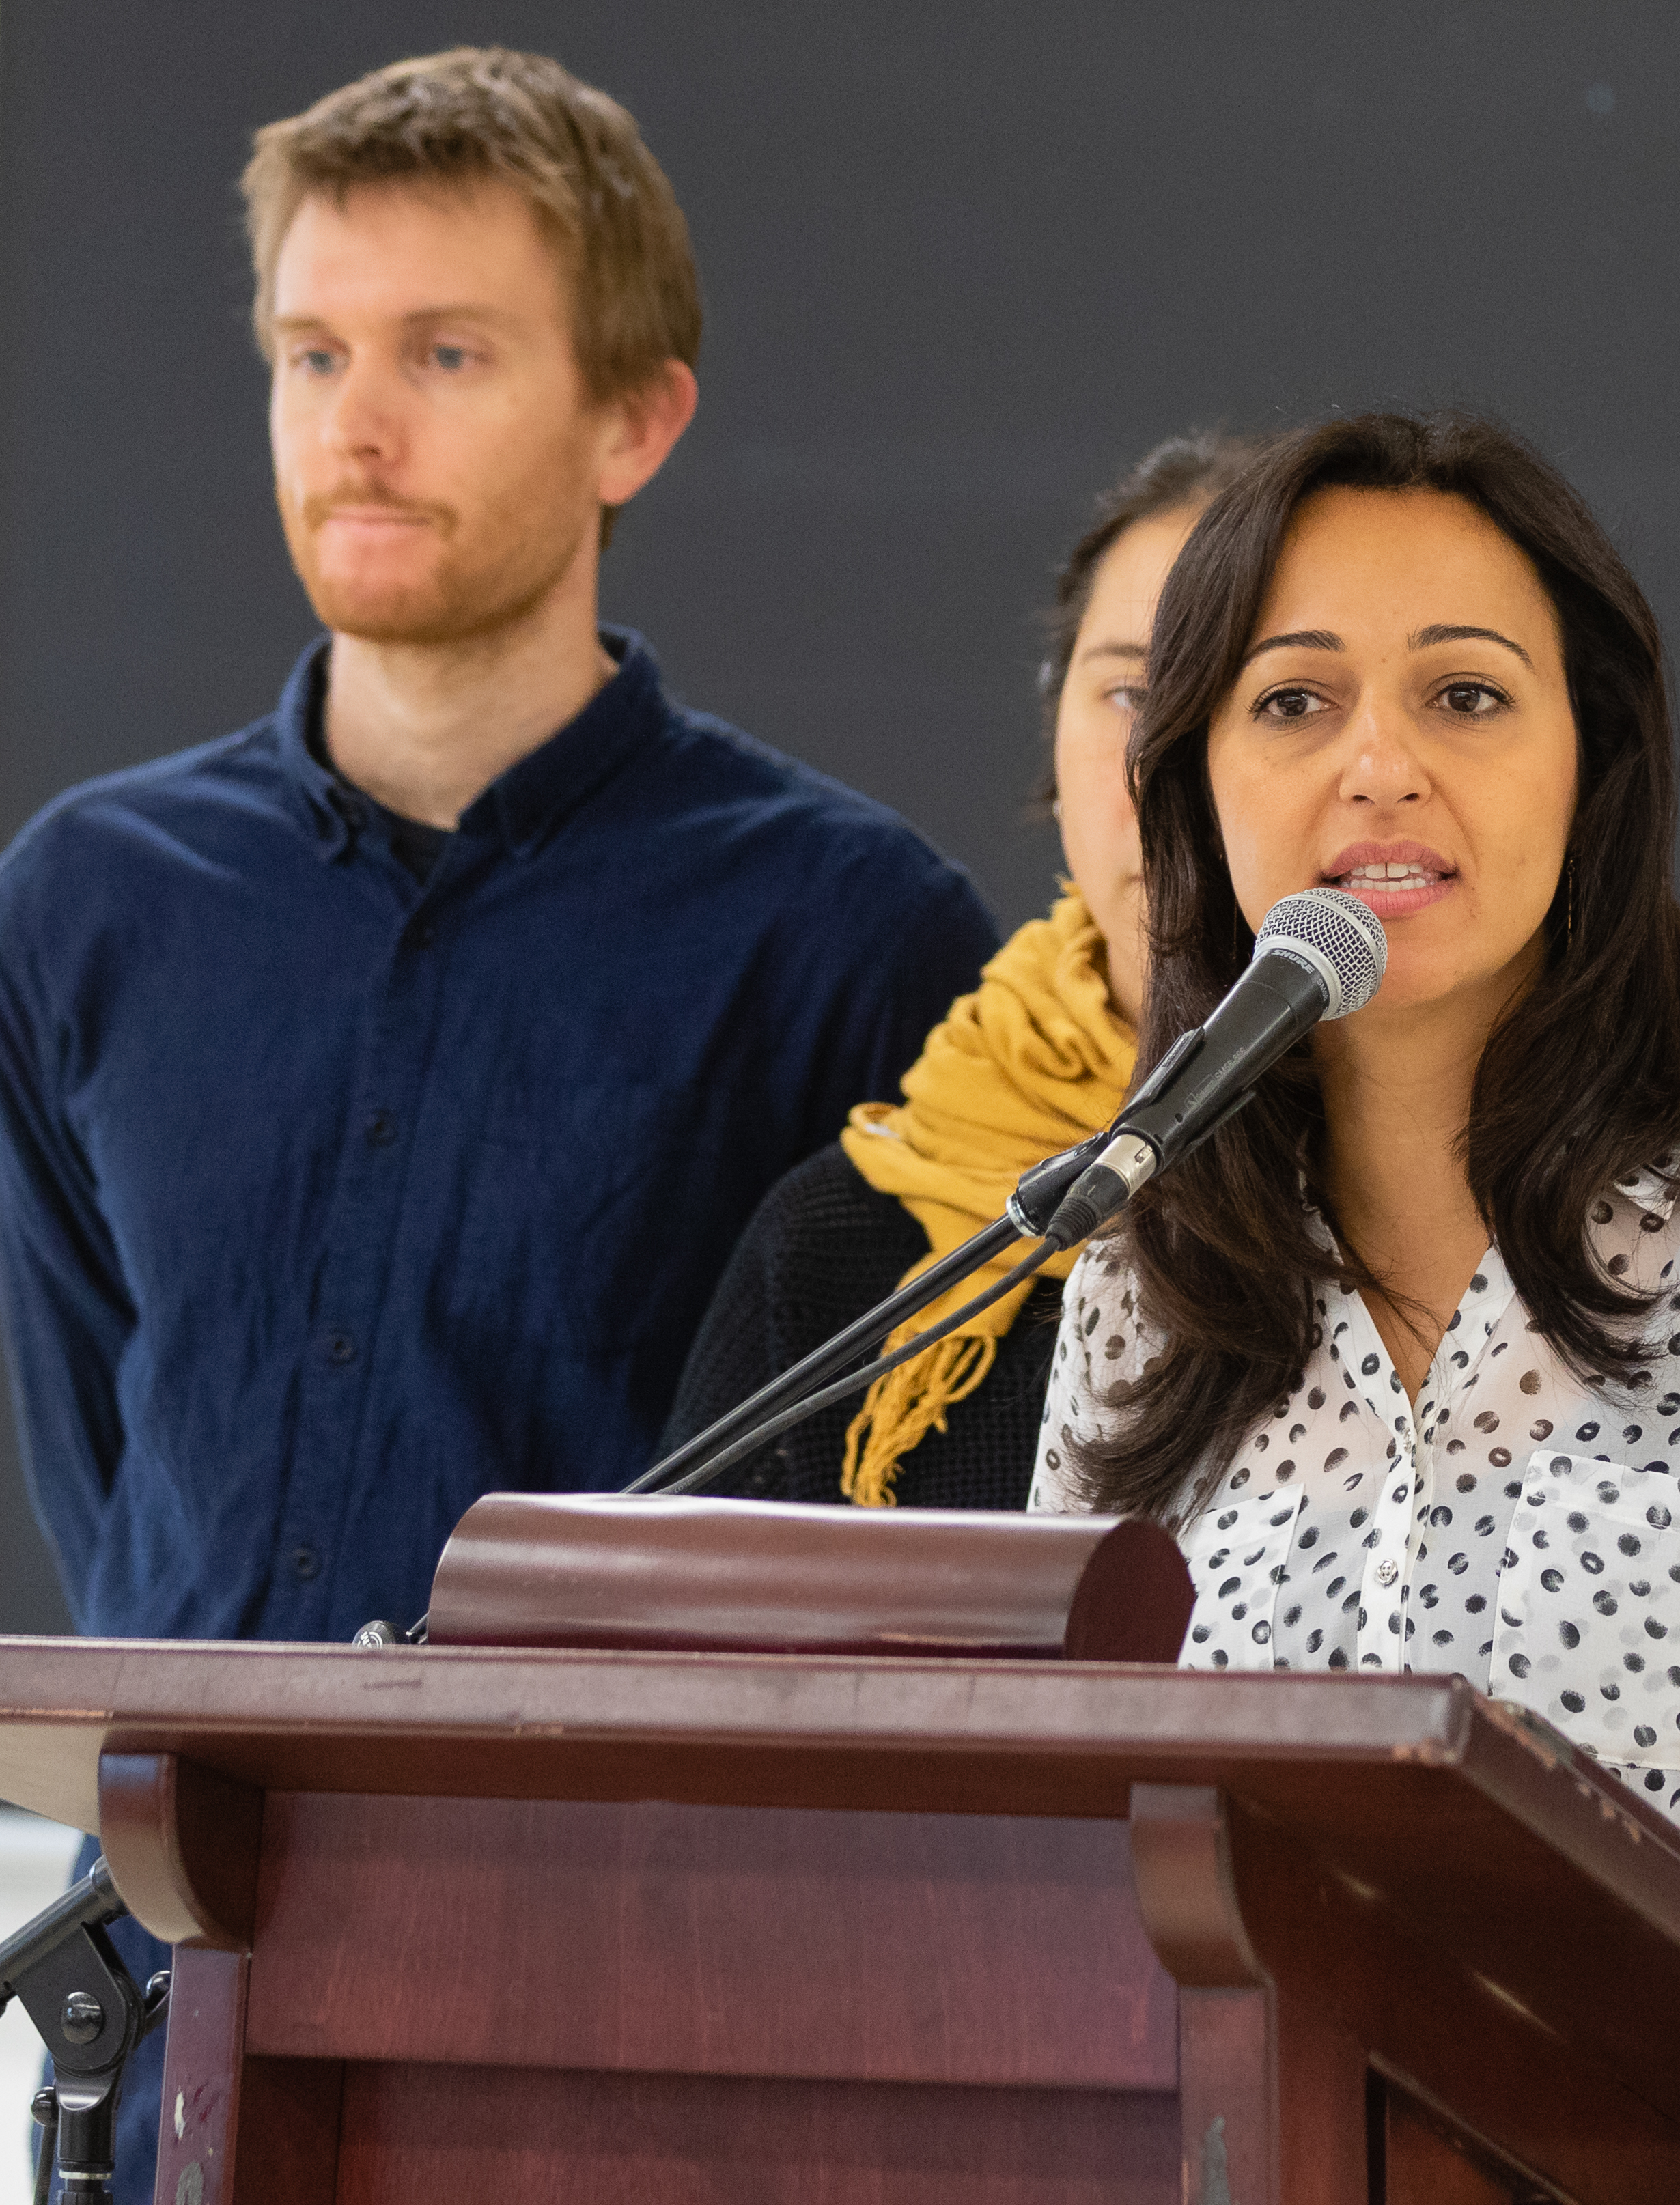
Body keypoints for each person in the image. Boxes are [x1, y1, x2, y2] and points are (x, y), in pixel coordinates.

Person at [0, 48, 995, 2189]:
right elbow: (107, 1438)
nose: (356, 421)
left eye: (446, 352)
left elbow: (883, 1535)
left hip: (640, 2016)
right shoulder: (80, 900)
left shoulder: (846, 928)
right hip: (170, 1996)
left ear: (635, 414)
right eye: (312, 350)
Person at [1028, 413, 1680, 2205]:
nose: (1378, 765)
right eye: (1293, 702)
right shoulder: (1143, 1266)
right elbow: (1073, 1825)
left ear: (1594, 760)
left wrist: (1504, 1997)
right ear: (1192, 781)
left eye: (1464, 695)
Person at [669, 430, 1266, 1508]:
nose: (1172, 769)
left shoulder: (1520, 1218)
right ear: (1052, 736)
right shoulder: (845, 1249)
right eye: (1132, 694)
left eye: (1270, 699)